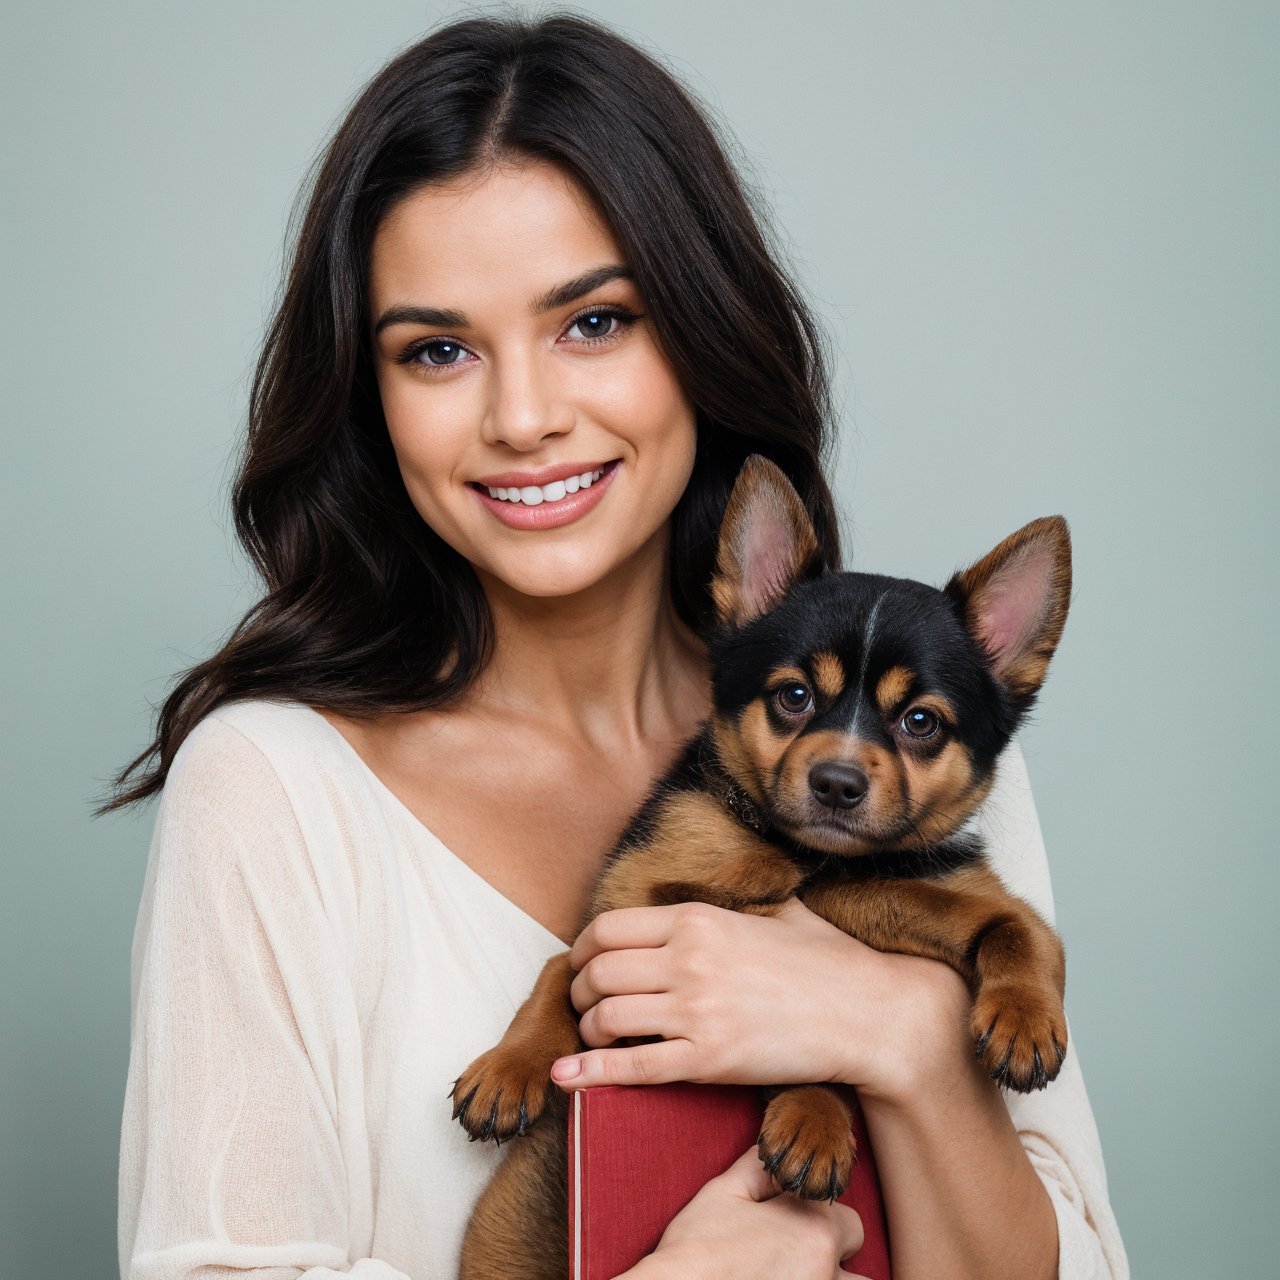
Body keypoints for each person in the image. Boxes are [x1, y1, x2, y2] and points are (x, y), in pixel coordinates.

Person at [106, 13, 1128, 1280]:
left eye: (592, 322)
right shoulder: (273, 792)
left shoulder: (930, 778)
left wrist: (906, 1032)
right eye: (436, 348)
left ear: (698, 332)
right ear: (369, 399)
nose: (524, 415)